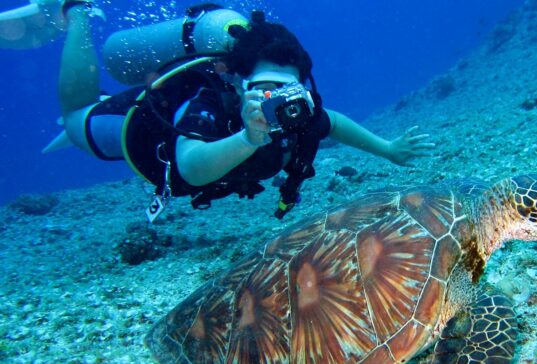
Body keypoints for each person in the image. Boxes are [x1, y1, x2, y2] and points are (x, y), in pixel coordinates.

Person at [56, 1, 433, 219]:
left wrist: (388, 149)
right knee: (75, 121)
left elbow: (332, 122)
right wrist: (247, 138)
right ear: (235, 81)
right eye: (265, 89)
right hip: (136, 129)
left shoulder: (295, 112)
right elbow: (191, 166)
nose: (277, 100)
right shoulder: (208, 102)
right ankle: (77, 16)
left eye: (290, 89)